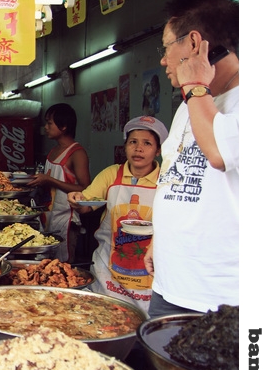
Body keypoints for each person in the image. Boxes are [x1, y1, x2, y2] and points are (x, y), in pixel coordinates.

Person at [144, 0, 239, 317]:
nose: (163, 59)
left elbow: (217, 153)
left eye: (167, 47)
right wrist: (162, 238)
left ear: (195, 44)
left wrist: (196, 84)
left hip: (219, 301)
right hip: (170, 284)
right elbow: (174, 176)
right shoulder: (190, 104)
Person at [68, 116, 168, 314]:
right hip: (109, 269)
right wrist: (77, 200)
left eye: (147, 143)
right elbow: (86, 205)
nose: (138, 148)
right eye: (133, 142)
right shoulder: (112, 174)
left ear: (158, 150)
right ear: (125, 146)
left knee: (145, 326)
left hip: (148, 271)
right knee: (105, 318)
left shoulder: (166, 179)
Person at [27, 103, 91, 262]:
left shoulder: (77, 153)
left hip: (66, 219)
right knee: (45, 262)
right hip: (48, 215)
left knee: (62, 263)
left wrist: (49, 179)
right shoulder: (54, 151)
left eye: (49, 123)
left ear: (63, 126)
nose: (46, 127)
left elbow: (85, 188)